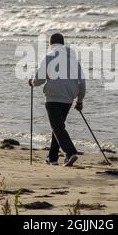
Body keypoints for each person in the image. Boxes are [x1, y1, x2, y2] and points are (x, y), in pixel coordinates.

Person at [28, 33, 86, 167]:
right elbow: (82, 83)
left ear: (50, 44)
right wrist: (79, 101)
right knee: (58, 127)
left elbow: (40, 79)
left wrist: (32, 82)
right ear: (63, 44)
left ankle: (70, 153)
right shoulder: (73, 60)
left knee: (57, 127)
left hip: (53, 97)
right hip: (68, 98)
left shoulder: (48, 57)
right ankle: (52, 158)